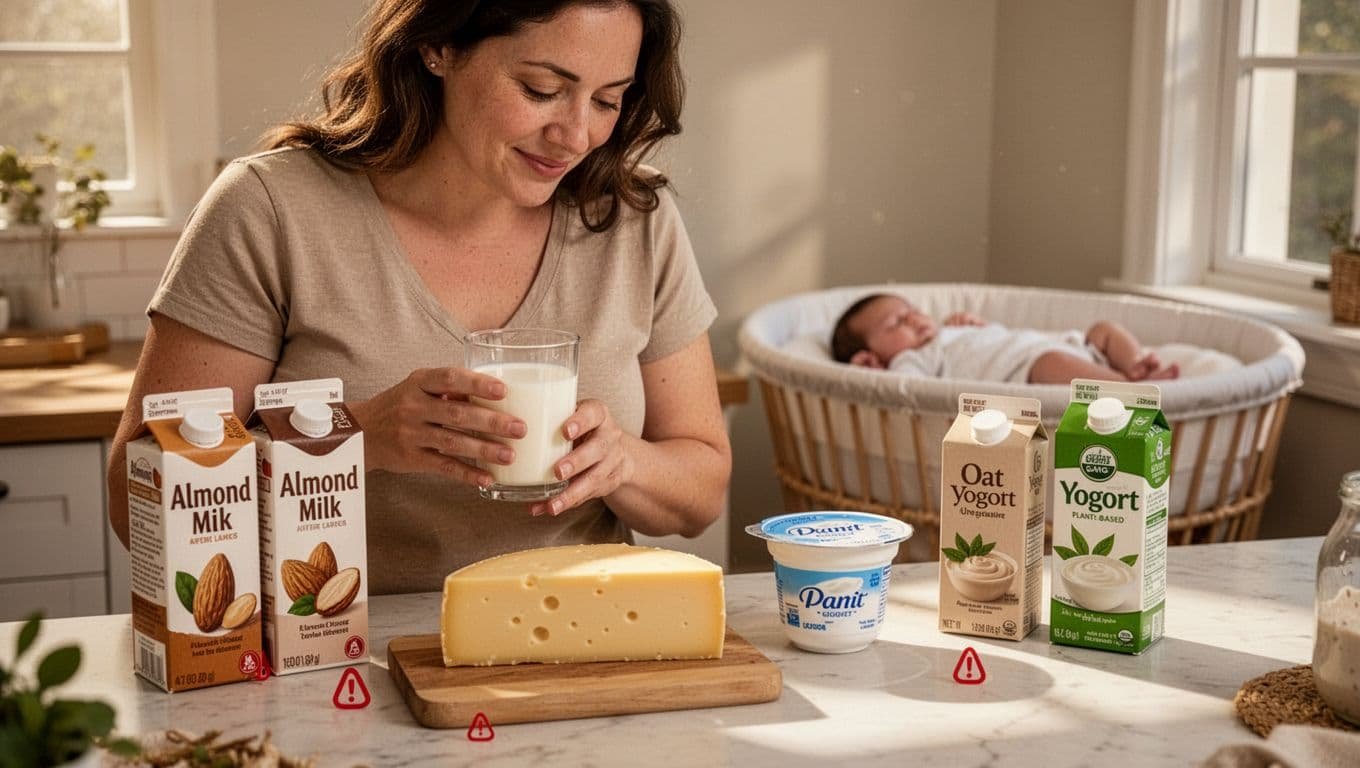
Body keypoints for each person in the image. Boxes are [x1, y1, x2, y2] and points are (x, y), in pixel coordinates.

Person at [107, 0, 731, 594]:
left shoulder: (632, 218)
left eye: (606, 100)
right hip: (330, 646)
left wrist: (624, 462)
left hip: (574, 646)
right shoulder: (269, 211)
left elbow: (702, 491)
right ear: (438, 44)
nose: (574, 135)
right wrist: (353, 437)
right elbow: (135, 499)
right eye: (541, 90)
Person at [830, 293, 1180, 384]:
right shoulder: (911, 360)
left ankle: (1134, 366)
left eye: (912, 311)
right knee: (1052, 364)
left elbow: (991, 341)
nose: (916, 320)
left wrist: (973, 325)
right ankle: (1125, 387)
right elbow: (908, 391)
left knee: (1104, 329)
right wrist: (876, 371)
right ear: (870, 357)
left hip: (1067, 347)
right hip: (1029, 368)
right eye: (896, 324)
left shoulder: (950, 331)